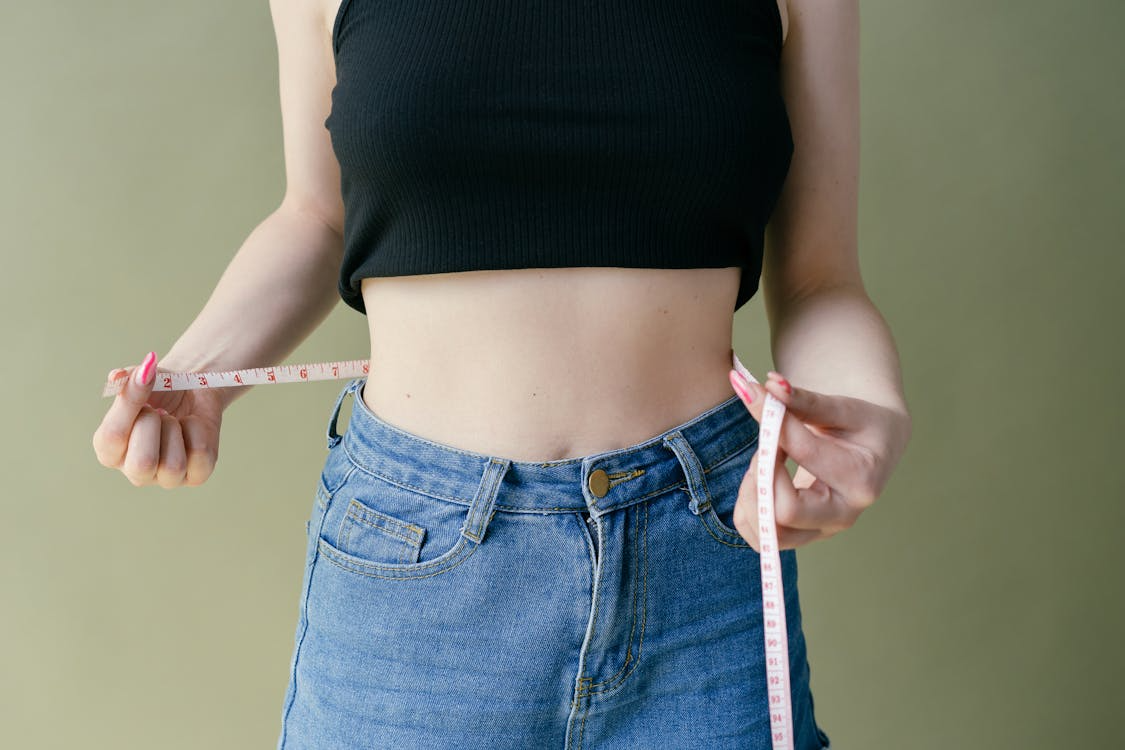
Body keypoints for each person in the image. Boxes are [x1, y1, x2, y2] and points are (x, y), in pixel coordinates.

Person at [92, 0, 911, 747]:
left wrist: (869, 416)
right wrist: (199, 373)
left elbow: (818, 281)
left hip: (704, 548)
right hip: (413, 560)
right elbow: (315, 216)